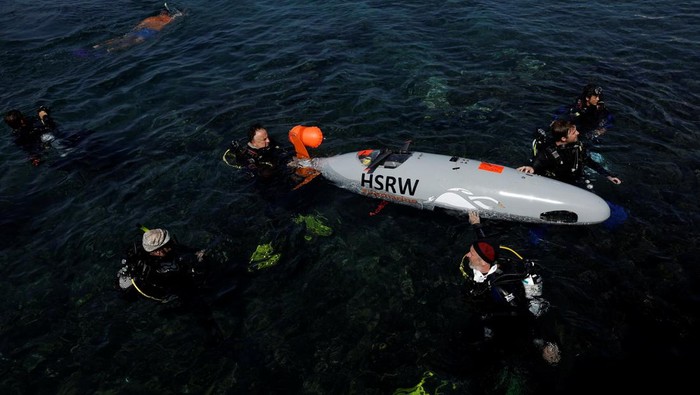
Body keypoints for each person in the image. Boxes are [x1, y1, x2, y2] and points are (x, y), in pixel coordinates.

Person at [460, 211, 561, 365]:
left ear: (482, 263)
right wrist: (476, 224)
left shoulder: (500, 286)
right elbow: (485, 246)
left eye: (471, 254)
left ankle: (548, 351)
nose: (467, 255)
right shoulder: (489, 260)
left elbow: (525, 317)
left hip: (517, 312)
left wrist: (544, 344)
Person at [517, 119, 622, 188]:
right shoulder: (549, 152)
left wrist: (608, 175)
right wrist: (531, 167)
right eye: (573, 132)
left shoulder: (578, 147)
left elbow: (589, 161)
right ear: (563, 139)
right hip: (558, 184)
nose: (578, 133)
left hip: (575, 180)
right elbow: (538, 161)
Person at [117, 227, 207, 303]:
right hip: (136, 289)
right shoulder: (152, 270)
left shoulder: (159, 251)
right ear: (158, 252)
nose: (171, 244)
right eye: (168, 244)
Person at [93, 7, 181, 52]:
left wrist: (135, 29)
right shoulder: (168, 19)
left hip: (140, 30)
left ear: (160, 13)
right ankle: (112, 50)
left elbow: (139, 25)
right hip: (151, 32)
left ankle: (99, 45)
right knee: (134, 42)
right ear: (167, 14)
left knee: (122, 39)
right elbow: (178, 16)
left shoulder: (151, 18)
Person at [223, 123, 292, 179]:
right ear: (254, 143)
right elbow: (263, 174)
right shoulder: (248, 156)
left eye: (267, 137)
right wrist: (284, 167)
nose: (268, 140)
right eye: (264, 139)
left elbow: (281, 148)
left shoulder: (268, 142)